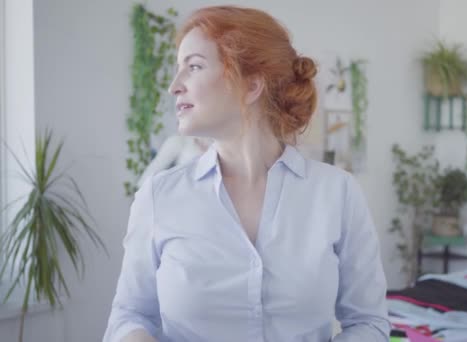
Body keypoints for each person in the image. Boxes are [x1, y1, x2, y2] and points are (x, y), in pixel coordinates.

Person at [104, 6, 389, 342]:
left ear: (252, 84)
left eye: (193, 66)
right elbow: (130, 314)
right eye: (178, 68)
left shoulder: (338, 193)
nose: (174, 86)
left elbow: (368, 323)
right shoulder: (159, 196)